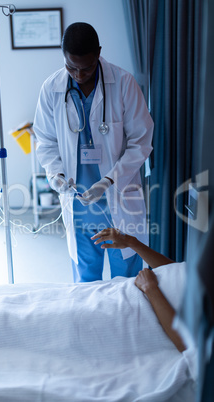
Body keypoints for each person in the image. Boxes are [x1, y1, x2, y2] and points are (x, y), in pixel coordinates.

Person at [33, 22, 154, 283]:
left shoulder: (123, 83)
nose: (78, 74)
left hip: (118, 195)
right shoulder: (51, 88)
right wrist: (56, 174)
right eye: (71, 66)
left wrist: (109, 180)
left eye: (86, 67)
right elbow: (45, 141)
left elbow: (141, 141)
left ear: (99, 53)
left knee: (128, 281)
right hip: (78, 201)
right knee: (86, 283)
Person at [91, 228, 187, 352]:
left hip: (137, 308)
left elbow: (186, 345)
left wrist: (151, 288)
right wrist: (132, 242)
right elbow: (176, 270)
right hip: (128, 289)